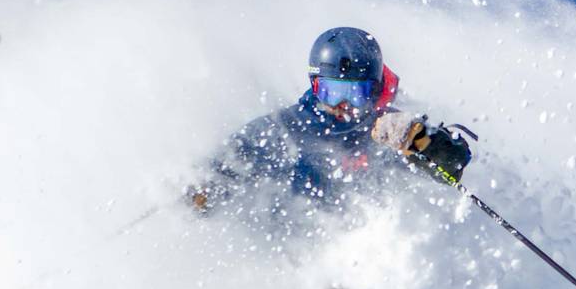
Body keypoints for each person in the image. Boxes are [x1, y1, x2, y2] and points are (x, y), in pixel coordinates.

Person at [188, 27, 472, 217]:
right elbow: (229, 162)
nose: (343, 106)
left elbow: (452, 168)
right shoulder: (282, 128)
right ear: (314, 85)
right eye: (332, 92)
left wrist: (421, 141)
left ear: (374, 91)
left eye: (357, 93)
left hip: (364, 255)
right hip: (288, 247)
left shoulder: (390, 131)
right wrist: (202, 191)